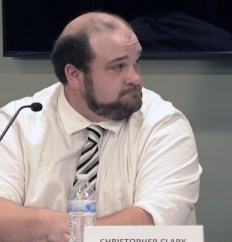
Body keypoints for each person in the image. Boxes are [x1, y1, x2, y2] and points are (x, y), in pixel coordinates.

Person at [0, 12, 201, 241]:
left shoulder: (164, 125)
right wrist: (56, 225)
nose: (135, 77)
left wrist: (66, 232)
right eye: (118, 67)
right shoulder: (17, 123)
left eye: (136, 62)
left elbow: (154, 222)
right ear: (74, 75)